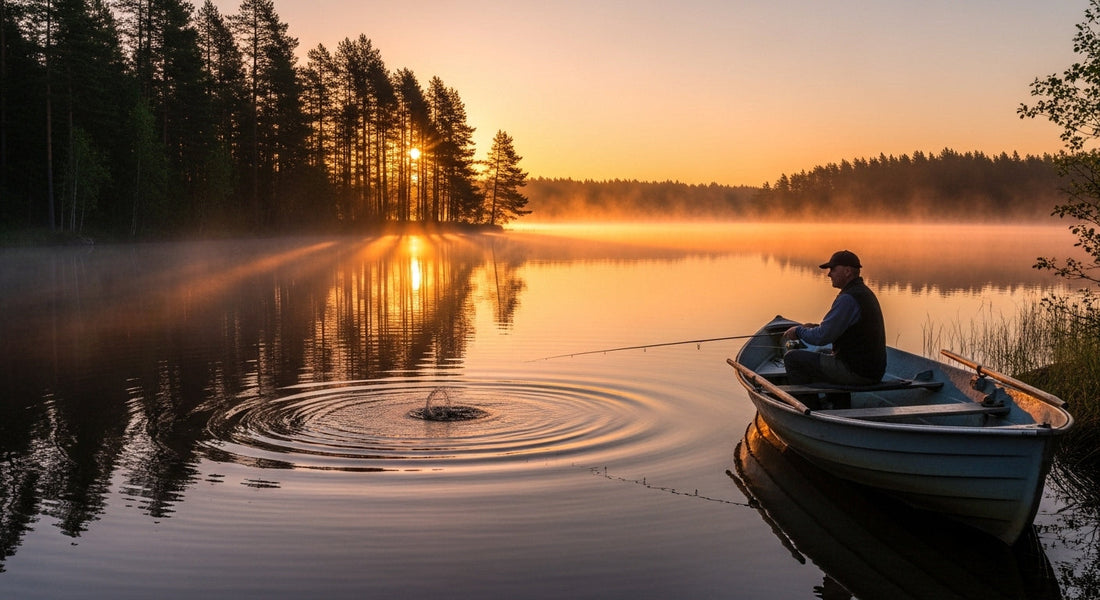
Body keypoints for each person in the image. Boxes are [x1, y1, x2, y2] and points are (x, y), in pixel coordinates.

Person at [780, 250, 887, 386]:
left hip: (857, 372)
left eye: (833, 269)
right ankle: (839, 403)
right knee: (822, 352)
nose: (829, 274)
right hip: (872, 370)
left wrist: (798, 332)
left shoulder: (848, 299)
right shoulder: (862, 292)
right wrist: (813, 327)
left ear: (847, 271)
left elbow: (822, 337)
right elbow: (839, 329)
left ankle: (807, 404)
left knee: (792, 358)